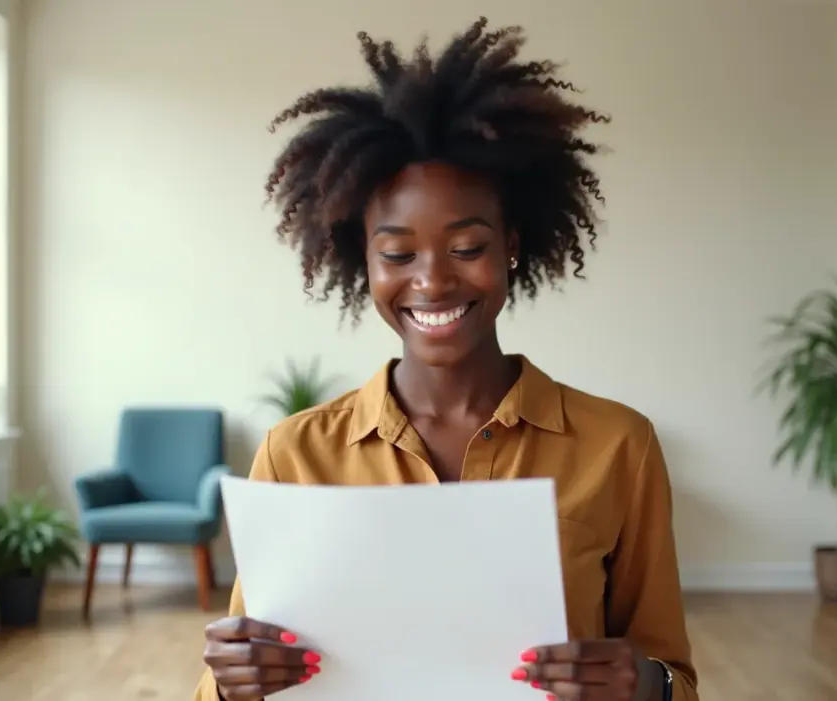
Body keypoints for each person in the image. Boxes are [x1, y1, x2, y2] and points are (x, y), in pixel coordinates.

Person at [195, 17, 698, 701]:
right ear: (363, 260)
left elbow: (674, 677)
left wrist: (642, 681)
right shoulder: (294, 455)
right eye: (398, 253)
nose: (432, 281)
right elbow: (237, 678)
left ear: (512, 245)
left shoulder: (619, 446)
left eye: (467, 248)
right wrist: (231, 683)